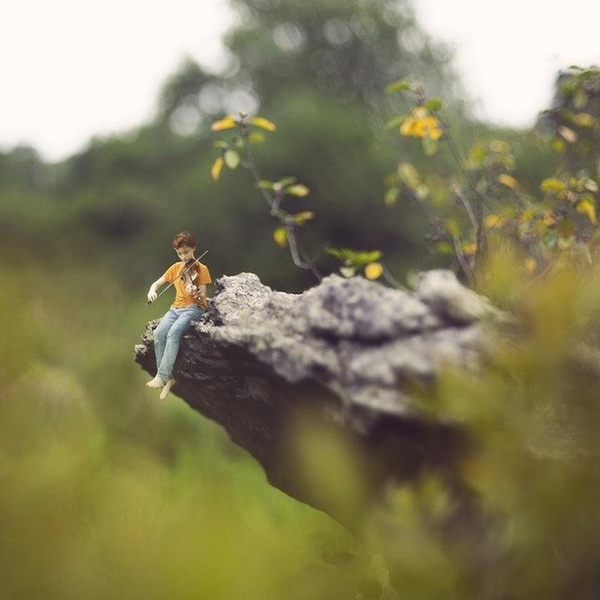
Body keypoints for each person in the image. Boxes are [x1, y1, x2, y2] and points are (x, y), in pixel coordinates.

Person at [145, 231, 211, 399]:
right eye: (180, 253)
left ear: (194, 249)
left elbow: (203, 297)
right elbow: (157, 283)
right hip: (175, 309)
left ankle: (162, 376)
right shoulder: (176, 268)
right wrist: (152, 291)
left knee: (174, 332)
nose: (183, 257)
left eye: (186, 252)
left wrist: (194, 292)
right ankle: (168, 378)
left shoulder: (201, 269)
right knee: (159, 333)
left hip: (193, 309)